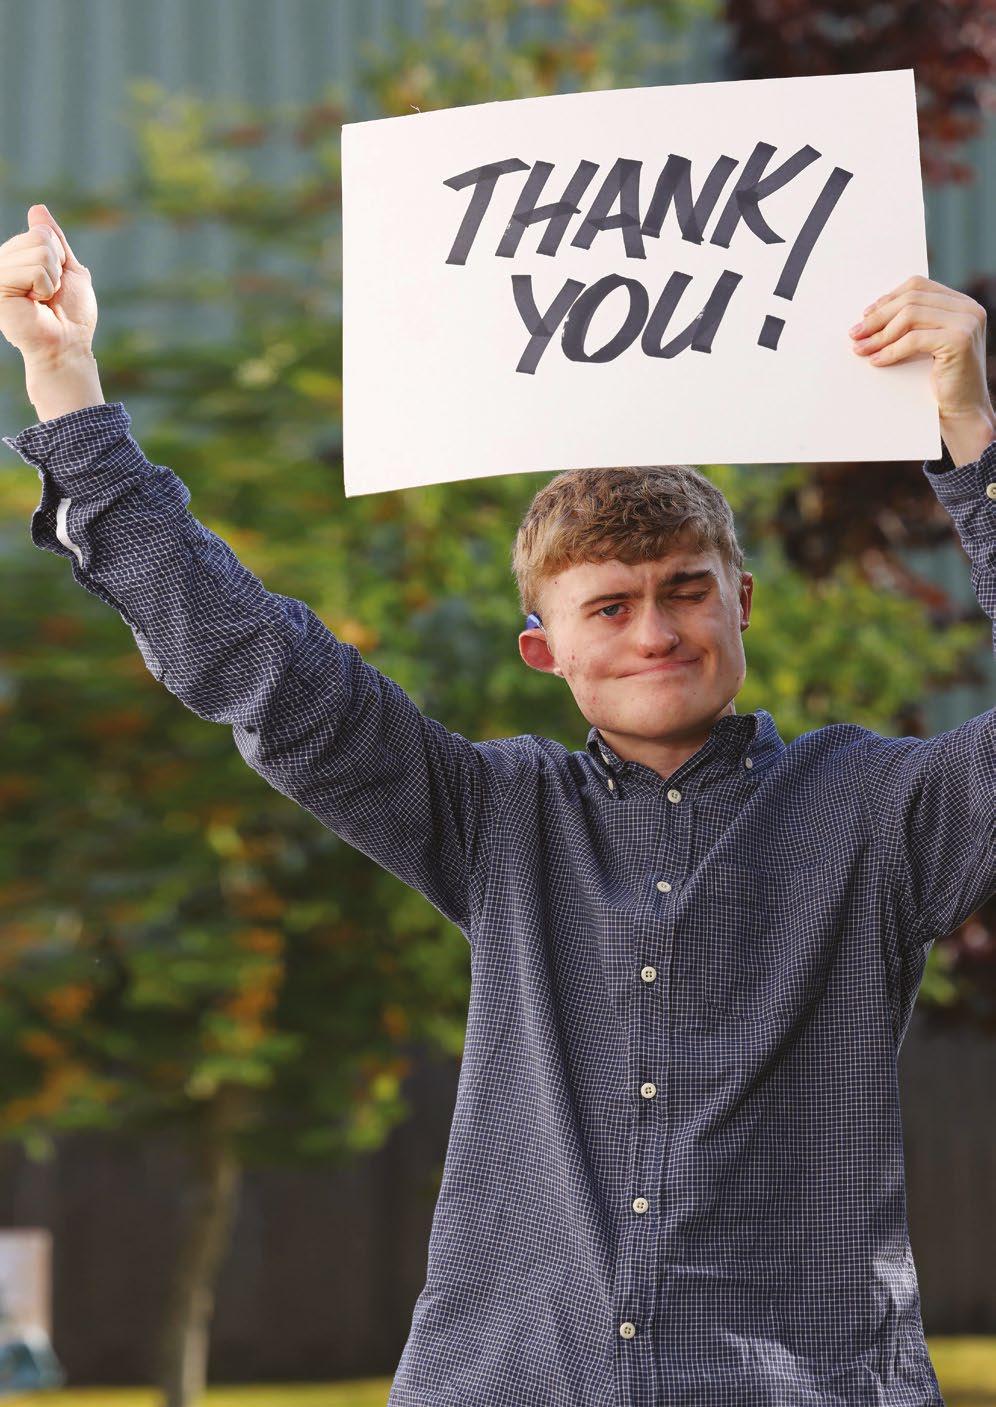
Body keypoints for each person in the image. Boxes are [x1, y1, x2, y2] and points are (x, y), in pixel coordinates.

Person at [1, 202, 994, 1407]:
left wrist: (972, 434)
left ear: (742, 602)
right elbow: (260, 663)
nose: (657, 631)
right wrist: (67, 382)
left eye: (686, 590)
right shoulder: (494, 813)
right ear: (544, 650)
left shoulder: (881, 811)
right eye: (610, 607)